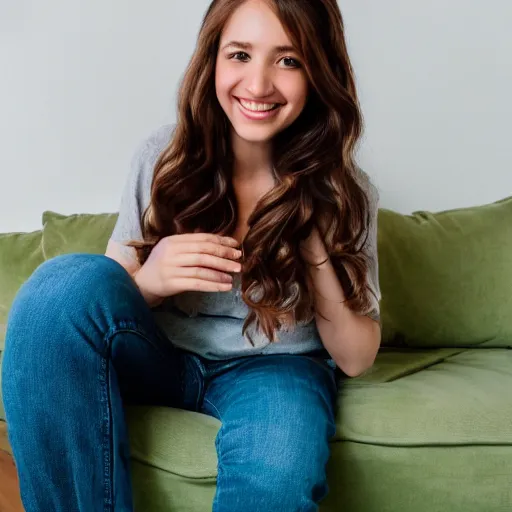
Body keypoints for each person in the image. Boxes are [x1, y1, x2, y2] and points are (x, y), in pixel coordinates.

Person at [1, 0, 381, 510]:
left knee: (277, 467)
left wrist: (311, 233)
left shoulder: (346, 190)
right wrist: (150, 281)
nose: (259, 84)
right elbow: (93, 305)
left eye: (288, 60)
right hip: (158, 355)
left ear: (319, 72)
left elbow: (356, 358)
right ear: (213, 61)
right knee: (60, 284)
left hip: (276, 371)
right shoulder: (164, 156)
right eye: (240, 54)